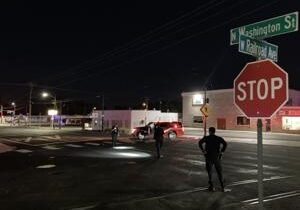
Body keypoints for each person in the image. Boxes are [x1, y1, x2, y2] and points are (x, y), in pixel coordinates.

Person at [198, 127, 227, 192]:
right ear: (214, 131)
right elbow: (225, 144)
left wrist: (203, 150)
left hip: (208, 157)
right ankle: (222, 187)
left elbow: (200, 143)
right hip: (216, 157)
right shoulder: (218, 138)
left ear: (209, 131)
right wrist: (222, 152)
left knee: (209, 172)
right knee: (219, 172)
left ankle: (212, 187)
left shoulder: (206, 138)